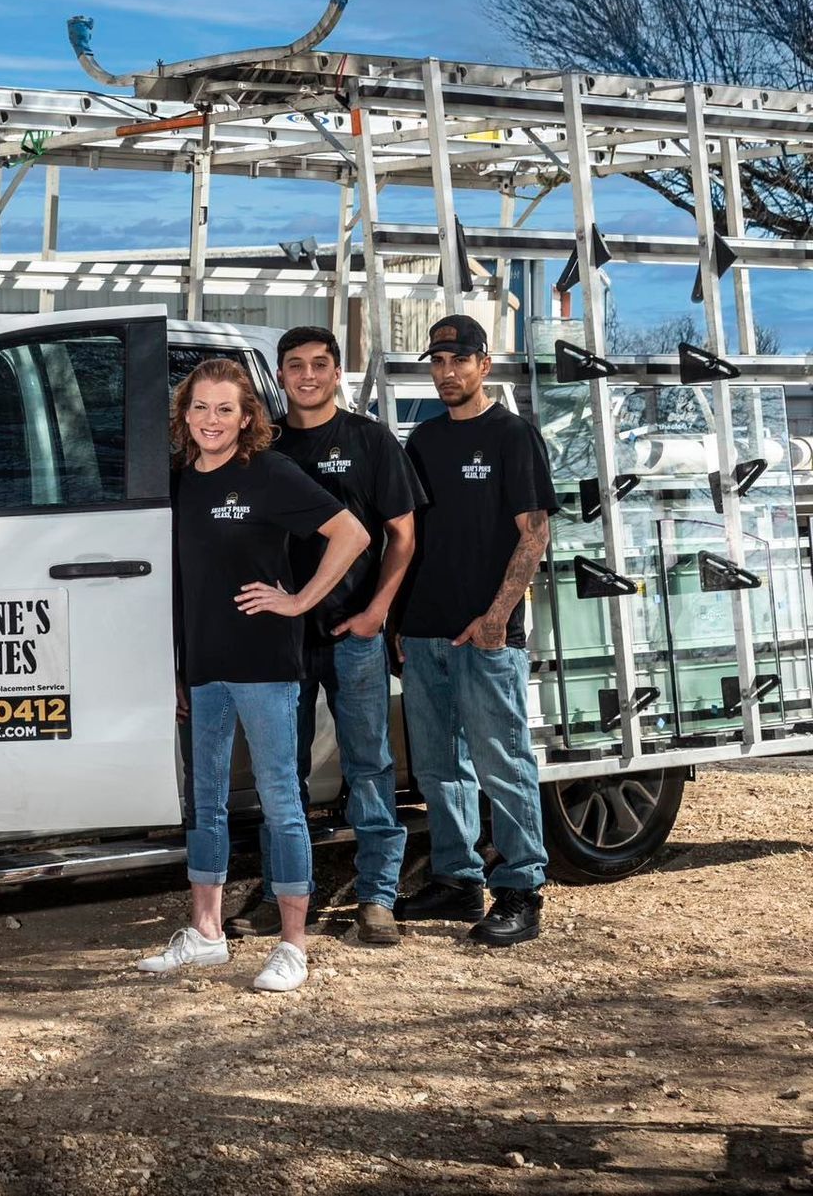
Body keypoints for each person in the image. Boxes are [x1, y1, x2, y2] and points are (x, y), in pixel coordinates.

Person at [138, 358, 367, 993]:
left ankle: (293, 946)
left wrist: (297, 600)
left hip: (265, 666)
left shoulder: (268, 474)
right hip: (205, 668)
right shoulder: (180, 482)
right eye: (200, 408)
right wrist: (181, 665)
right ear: (184, 414)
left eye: (224, 409)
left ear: (247, 417)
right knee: (204, 803)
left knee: (281, 804)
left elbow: (351, 534)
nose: (211, 420)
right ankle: (207, 934)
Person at [226, 327, 424, 947]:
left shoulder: (368, 440)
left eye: (319, 364)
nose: (307, 375)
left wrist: (377, 612)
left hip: (352, 631)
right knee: (282, 771)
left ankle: (376, 896)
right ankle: (287, 895)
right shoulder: (260, 444)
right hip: (281, 639)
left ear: (337, 372)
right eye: (295, 365)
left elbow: (403, 535)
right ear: (279, 376)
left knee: (369, 765)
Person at [392, 315, 558, 947]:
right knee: (438, 768)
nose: (447, 372)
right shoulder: (424, 441)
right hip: (426, 631)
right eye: (437, 361)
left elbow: (534, 532)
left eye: (459, 360)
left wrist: (496, 618)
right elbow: (407, 538)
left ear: (484, 365)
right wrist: (402, 619)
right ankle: (458, 880)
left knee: (502, 760)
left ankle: (520, 889)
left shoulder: (513, 436)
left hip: (486, 636)